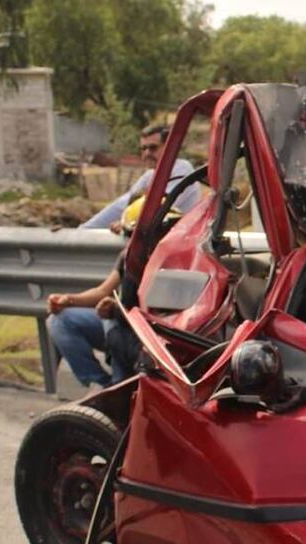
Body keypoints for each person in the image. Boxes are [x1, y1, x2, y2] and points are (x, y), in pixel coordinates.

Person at [80, 124, 200, 230]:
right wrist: (84, 230)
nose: (147, 153)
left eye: (153, 148)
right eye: (143, 148)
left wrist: (127, 224)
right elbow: (124, 204)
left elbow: (158, 207)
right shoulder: (150, 175)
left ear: (170, 147)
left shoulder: (181, 169)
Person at [46, 254, 139, 389]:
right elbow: (102, 291)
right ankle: (101, 386)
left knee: (112, 320)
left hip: (145, 332)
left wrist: (118, 310)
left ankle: (121, 387)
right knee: (60, 320)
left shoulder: (168, 249)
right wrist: (69, 299)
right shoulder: (133, 250)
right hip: (121, 321)